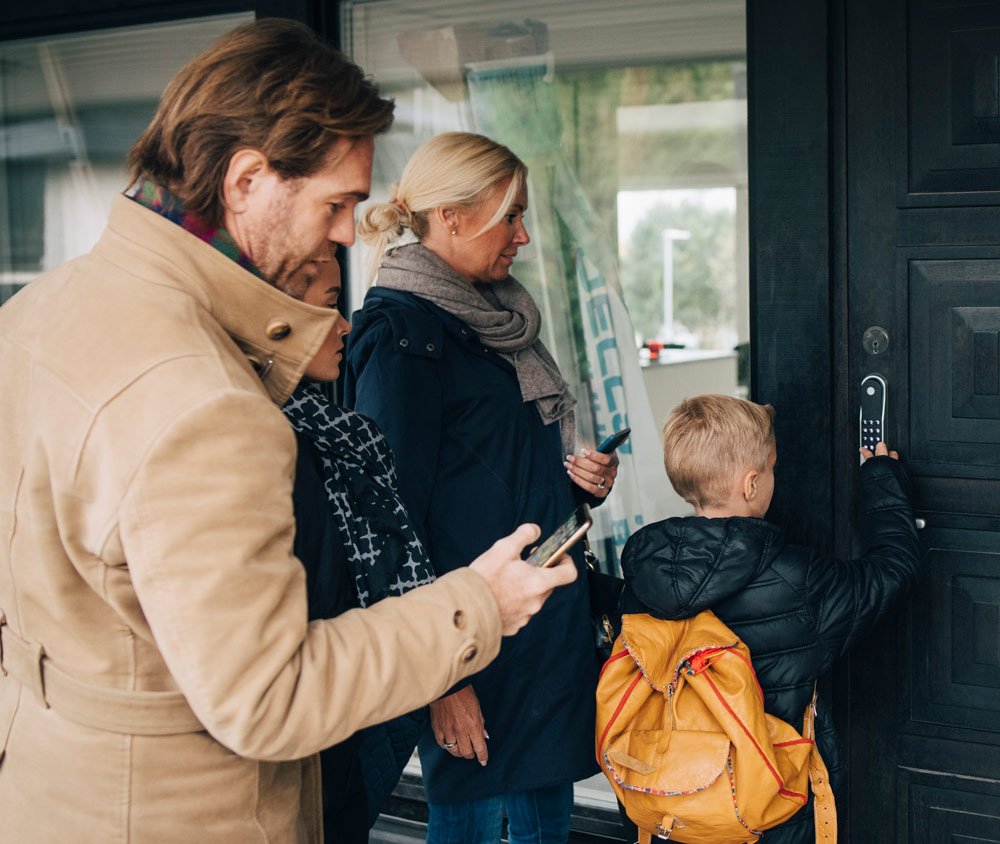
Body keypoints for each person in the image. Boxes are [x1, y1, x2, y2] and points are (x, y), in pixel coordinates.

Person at [0, 21, 574, 842]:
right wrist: (476, 606)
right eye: (336, 203)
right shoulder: (204, 400)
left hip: (53, 792)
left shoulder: (33, 316)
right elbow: (270, 697)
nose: (349, 234)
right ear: (246, 181)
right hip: (183, 813)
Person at [347, 131, 616, 844]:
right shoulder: (402, 337)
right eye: (511, 215)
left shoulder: (492, 321)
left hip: (537, 638)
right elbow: (386, 518)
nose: (524, 236)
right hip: (474, 649)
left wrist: (580, 488)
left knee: (543, 831)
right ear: (454, 216)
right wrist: (442, 678)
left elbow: (492, 475)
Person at [617, 394, 922, 843]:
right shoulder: (797, 578)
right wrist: (882, 480)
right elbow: (891, 572)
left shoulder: (647, 573)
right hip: (766, 808)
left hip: (674, 798)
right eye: (773, 468)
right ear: (751, 484)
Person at [282, 256, 438, 840]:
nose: (345, 325)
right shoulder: (287, 451)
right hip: (317, 730)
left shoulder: (335, 434)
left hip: (348, 718)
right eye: (327, 307)